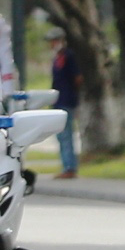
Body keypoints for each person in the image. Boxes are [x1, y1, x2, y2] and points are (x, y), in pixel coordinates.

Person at [49, 39, 82, 176]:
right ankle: (66, 165)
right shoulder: (57, 58)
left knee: (66, 135)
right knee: (61, 136)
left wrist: (72, 93)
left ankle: (69, 167)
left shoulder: (69, 56)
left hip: (67, 100)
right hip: (58, 101)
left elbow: (77, 78)